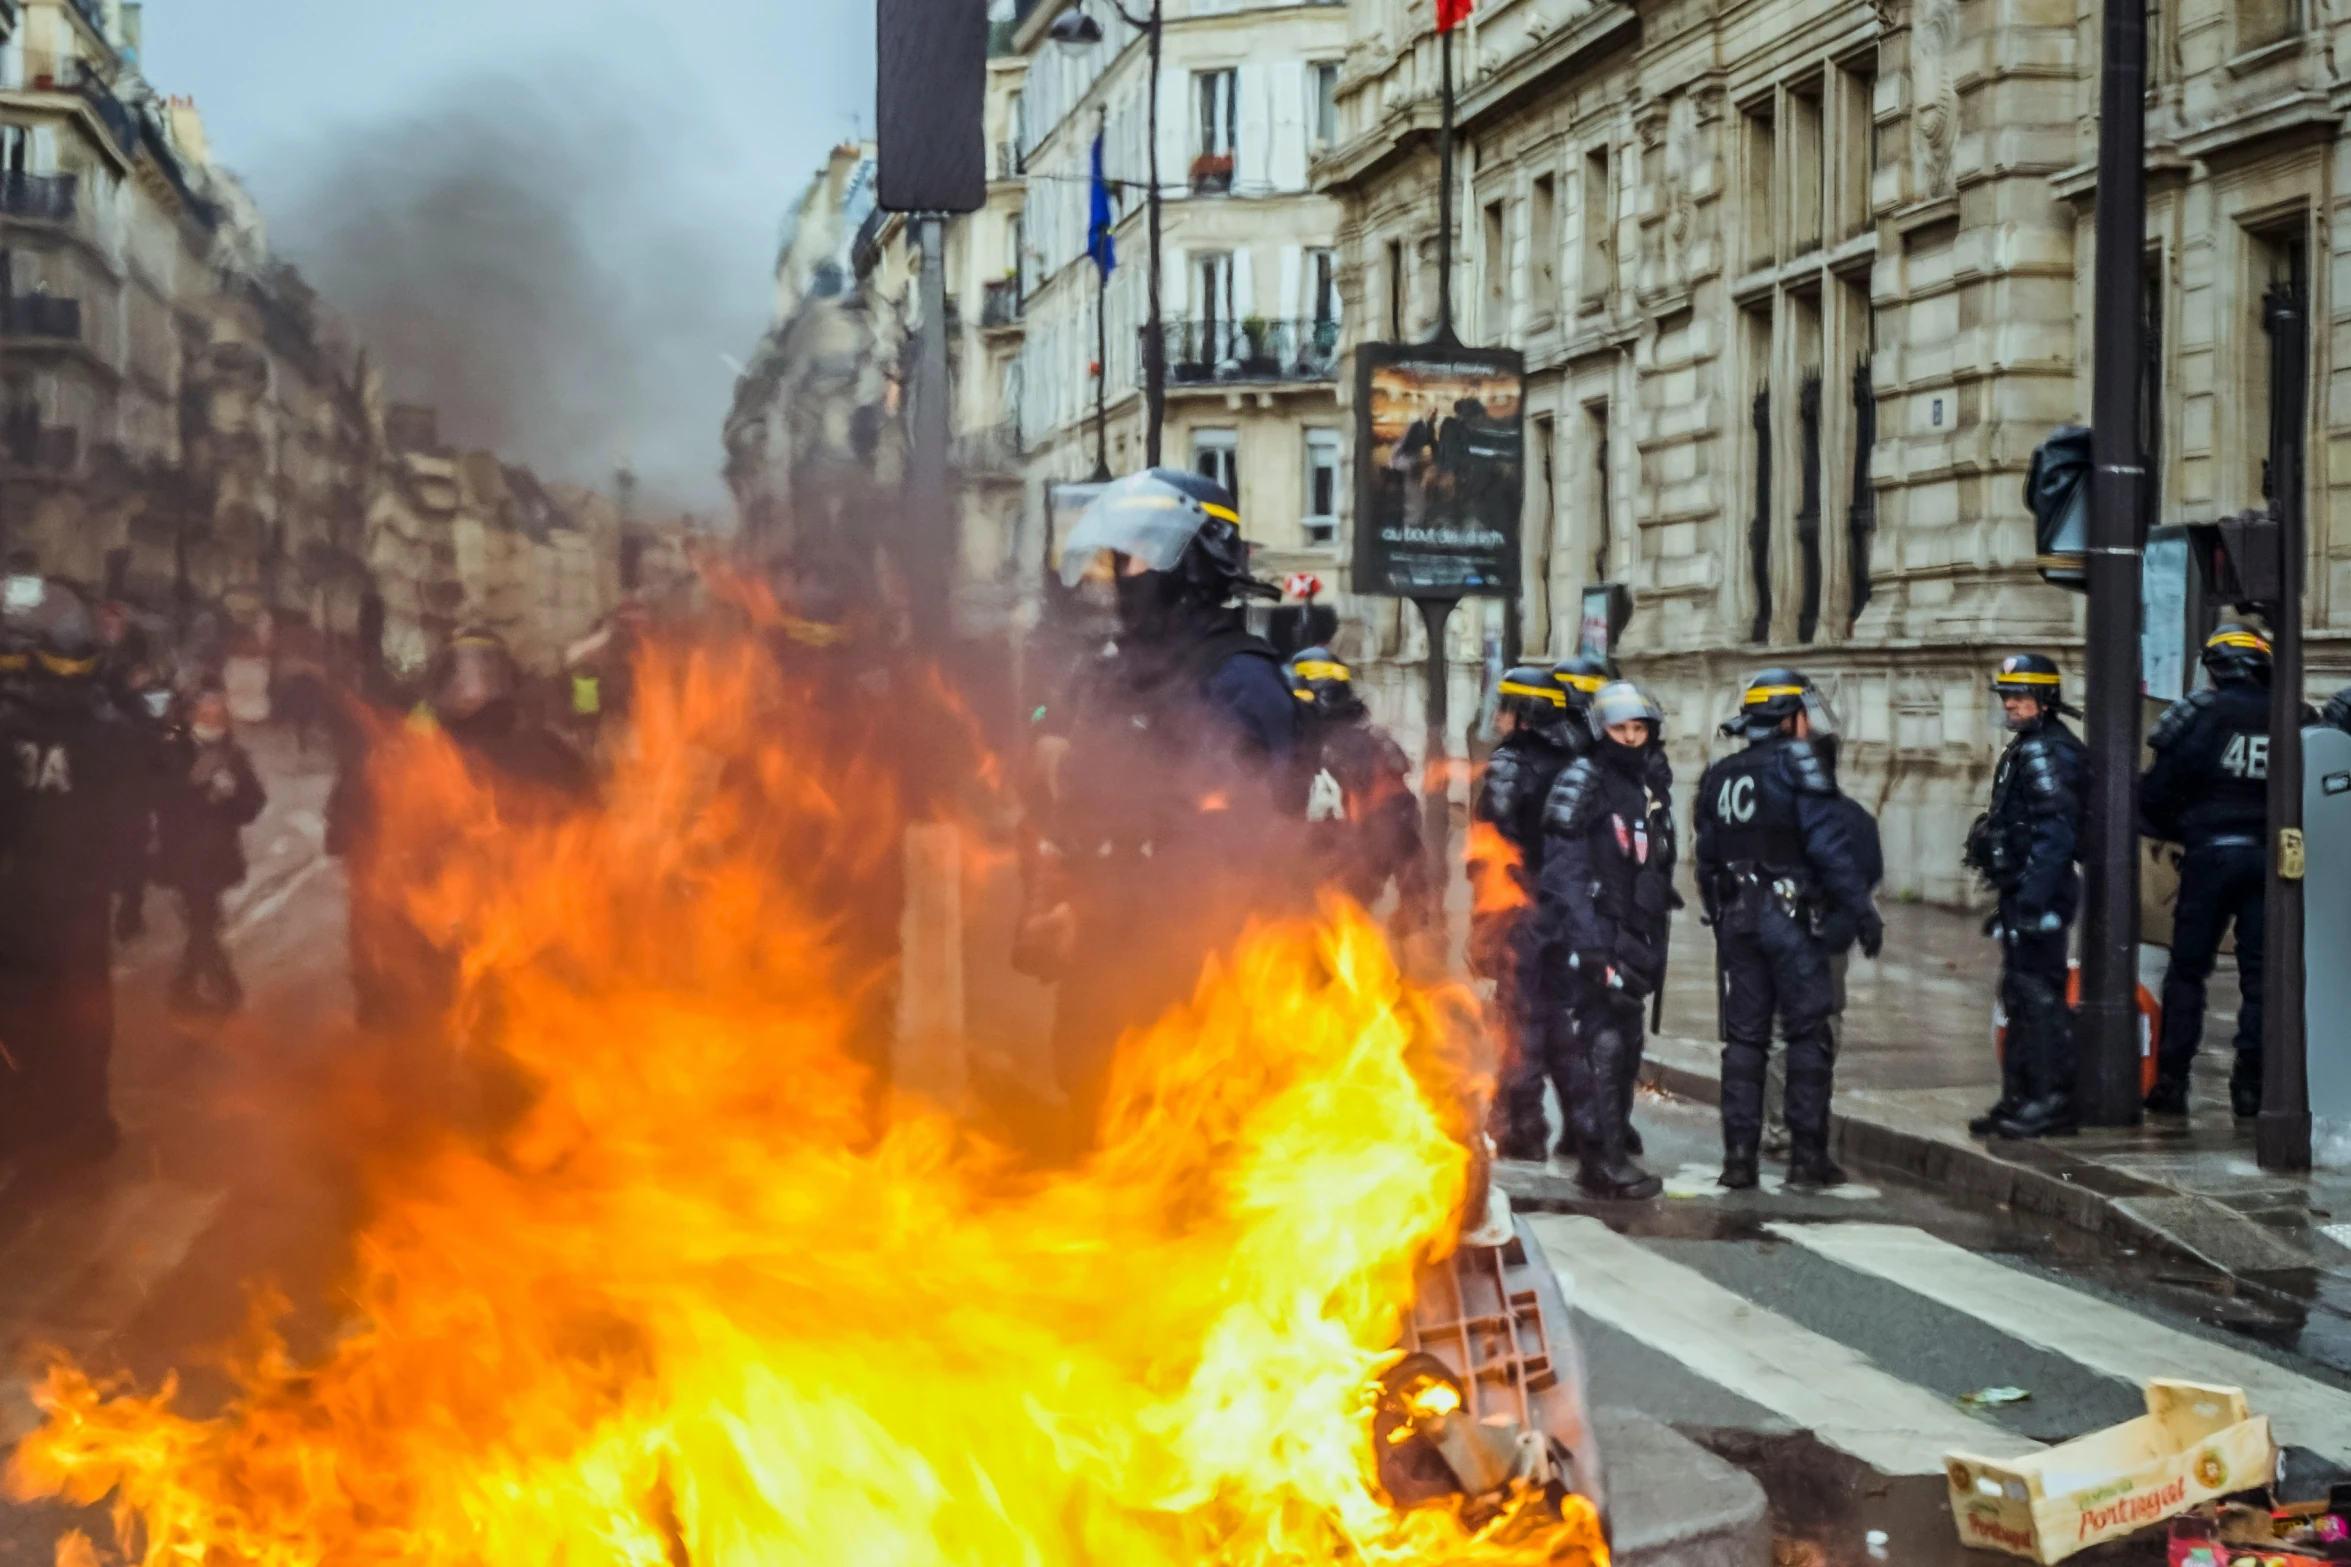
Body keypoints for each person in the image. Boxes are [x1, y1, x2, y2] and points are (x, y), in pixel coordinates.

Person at [1018, 468, 1298, 1143]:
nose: (1122, 573)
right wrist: (1050, 895)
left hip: (1191, 986)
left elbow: (1229, 849)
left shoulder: (1240, 680)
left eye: (1139, 553)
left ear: (1194, 560)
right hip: (1100, 981)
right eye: (1117, 555)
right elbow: (1071, 814)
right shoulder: (1113, 675)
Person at [1694, 670, 1882, 1191]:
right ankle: (1806, 1159)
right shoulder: (1799, 764)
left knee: (1745, 1041)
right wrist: (1860, 912)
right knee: (1806, 1037)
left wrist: (1722, 917)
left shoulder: (1723, 773)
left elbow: (1706, 861)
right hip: (1790, 920)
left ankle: (1738, 1159)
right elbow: (1829, 849)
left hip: (1739, 920)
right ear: (1791, 718)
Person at [0, 582, 154, 1167]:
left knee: (19, 1010)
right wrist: (130, 887)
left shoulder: (7, 726)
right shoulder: (109, 731)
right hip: (80, 901)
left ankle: (20, 1115)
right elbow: (131, 815)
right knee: (85, 1014)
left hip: (16, 897)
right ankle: (87, 1120)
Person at [2141, 624, 2309, 1119]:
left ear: (2216, 668)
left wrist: (2184, 828)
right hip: (2273, 860)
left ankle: (2172, 1082)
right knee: (2262, 976)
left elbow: (2156, 792)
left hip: (2210, 854)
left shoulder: (2200, 714)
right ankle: (2250, 1086)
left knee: (2189, 970)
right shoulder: (2294, 716)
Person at [1538, 681, 1678, 1199]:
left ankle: (1608, 1146)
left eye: (1638, 728)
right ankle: (1603, 1159)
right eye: (1620, 728)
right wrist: (1589, 942)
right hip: (1596, 929)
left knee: (1627, 1035)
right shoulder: (1583, 780)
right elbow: (1564, 872)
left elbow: (1651, 857)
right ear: (1601, 730)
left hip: (1634, 929)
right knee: (1604, 1038)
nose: (1631, 737)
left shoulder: (1644, 784)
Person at [1473, 658, 1599, 1162]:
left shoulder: (1509, 766)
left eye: (1505, 708)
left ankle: (1522, 1126)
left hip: (1518, 910)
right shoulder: (1574, 763)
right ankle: (1585, 1121)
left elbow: (1492, 850)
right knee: (1556, 1022)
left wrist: (1484, 929)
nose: (1499, 718)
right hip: (1561, 911)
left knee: (1519, 1022)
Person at [1963, 653, 2088, 1139]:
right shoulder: (2029, 747)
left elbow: (2055, 835)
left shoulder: (2045, 752)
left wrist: (2034, 903)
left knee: (2040, 998)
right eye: (2006, 695)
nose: (2010, 704)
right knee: (2017, 992)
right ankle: (2019, 1097)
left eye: (2020, 696)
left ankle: (2052, 1100)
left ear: (2044, 700)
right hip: (2025, 889)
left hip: (2042, 892)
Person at [1284, 646, 1428, 923]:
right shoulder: (1377, 746)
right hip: (1345, 890)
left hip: (1320, 891)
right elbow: (1404, 826)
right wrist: (1413, 897)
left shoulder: (1300, 751)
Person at [152, 687, 267, 1019]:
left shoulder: (234, 756)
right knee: (204, 921)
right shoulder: (173, 753)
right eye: (205, 716)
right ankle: (217, 989)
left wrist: (231, 796)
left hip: (217, 856)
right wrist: (193, 788)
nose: (212, 722)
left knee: (204, 923)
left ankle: (190, 989)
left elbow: (254, 803)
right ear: (190, 718)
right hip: (183, 855)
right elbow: (158, 798)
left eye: (218, 717)